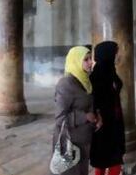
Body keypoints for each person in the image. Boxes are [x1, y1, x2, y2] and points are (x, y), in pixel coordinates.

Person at [52, 46, 101, 175]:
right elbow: (59, 118)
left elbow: (89, 103)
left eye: (91, 58)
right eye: (86, 59)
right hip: (70, 141)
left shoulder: (85, 80)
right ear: (75, 61)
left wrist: (98, 115)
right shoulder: (66, 84)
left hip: (83, 139)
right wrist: (84, 117)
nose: (91, 62)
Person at [89, 41, 125, 175]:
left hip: (114, 121)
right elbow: (93, 101)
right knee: (103, 159)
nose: (119, 55)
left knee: (115, 158)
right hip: (103, 124)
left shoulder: (111, 71)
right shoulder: (96, 76)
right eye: (116, 52)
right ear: (108, 54)